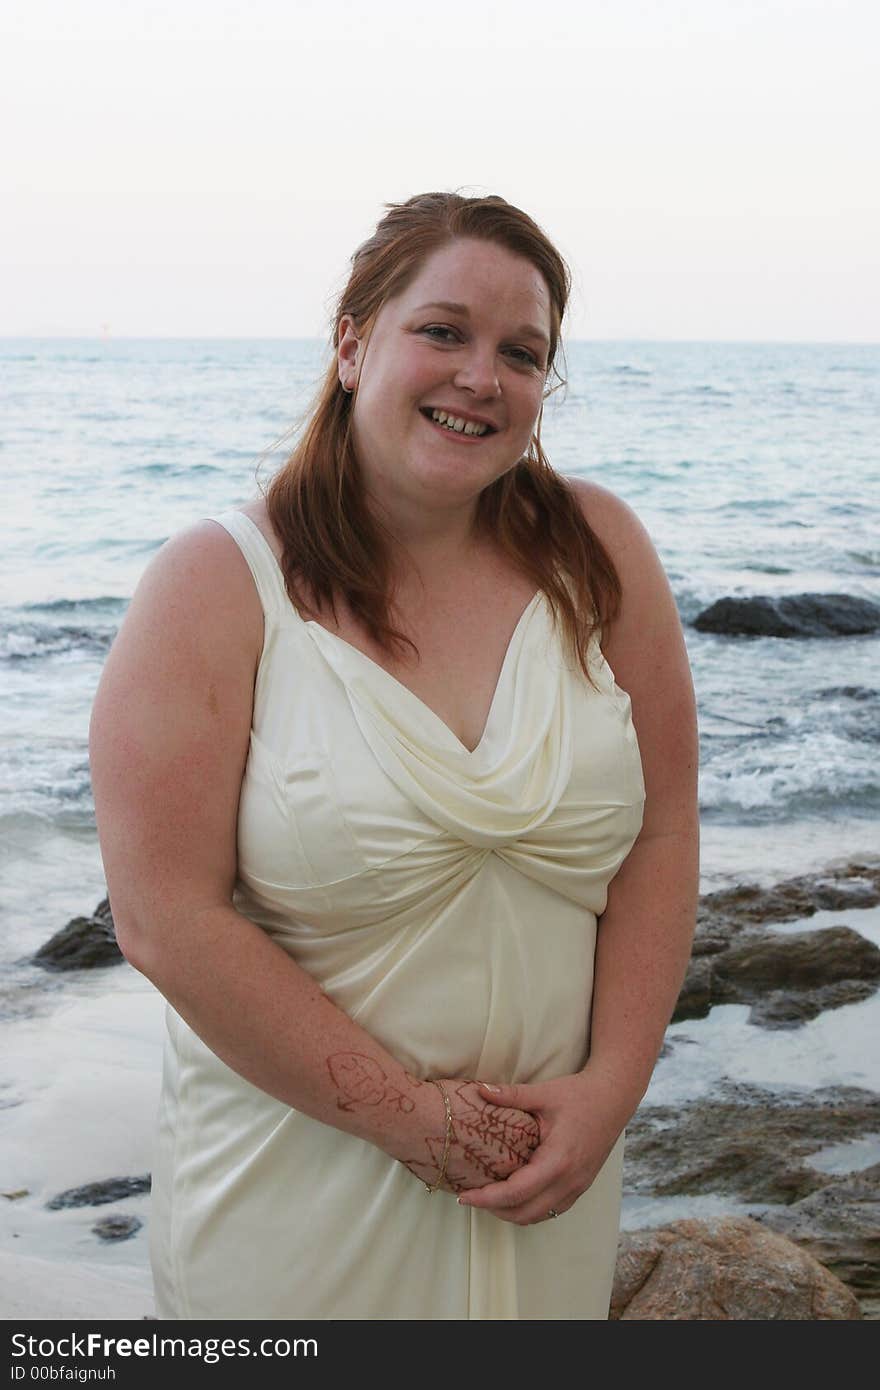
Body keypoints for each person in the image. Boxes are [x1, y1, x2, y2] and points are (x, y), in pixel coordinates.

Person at [89, 191, 698, 1321]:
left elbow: (662, 833)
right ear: (353, 340)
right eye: (443, 330)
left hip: (547, 1191)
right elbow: (165, 918)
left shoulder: (601, 553)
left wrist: (612, 1089)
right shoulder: (216, 585)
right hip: (298, 1205)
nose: (482, 375)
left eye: (522, 352)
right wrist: (412, 1122)